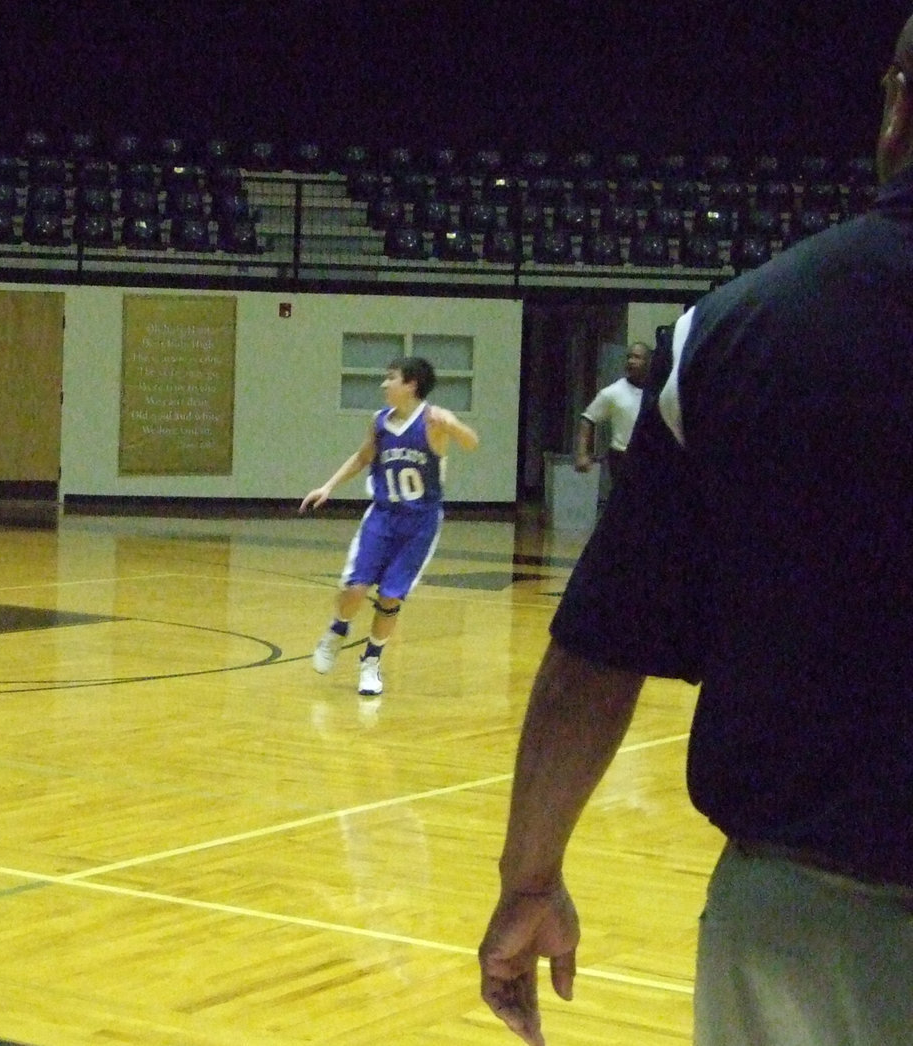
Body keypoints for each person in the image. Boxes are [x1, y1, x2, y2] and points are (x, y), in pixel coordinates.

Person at [478, 15, 913, 1046]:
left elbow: (597, 650)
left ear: (898, 103)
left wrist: (530, 876)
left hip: (809, 928)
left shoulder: (736, 332)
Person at [300, 356, 479, 697]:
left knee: (391, 597)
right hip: (382, 517)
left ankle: (371, 661)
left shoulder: (434, 420)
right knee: (355, 587)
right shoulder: (380, 422)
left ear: (410, 384)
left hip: (420, 524)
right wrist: (328, 487)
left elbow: (471, 442)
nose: (384, 384)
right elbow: (361, 458)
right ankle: (337, 631)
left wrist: (454, 427)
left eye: (391, 378)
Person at [573, 340, 650, 488]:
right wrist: (582, 453)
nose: (631, 361)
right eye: (629, 357)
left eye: (637, 357)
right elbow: (587, 419)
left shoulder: (657, 391)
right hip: (623, 457)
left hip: (649, 456)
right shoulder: (613, 392)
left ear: (648, 362)